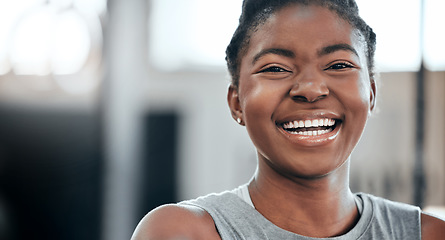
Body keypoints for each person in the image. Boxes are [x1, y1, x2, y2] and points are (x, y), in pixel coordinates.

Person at [131, 0, 445, 239]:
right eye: (275, 68)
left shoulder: (427, 234)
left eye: (338, 65)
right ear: (237, 102)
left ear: (371, 93)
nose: (310, 89)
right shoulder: (183, 231)